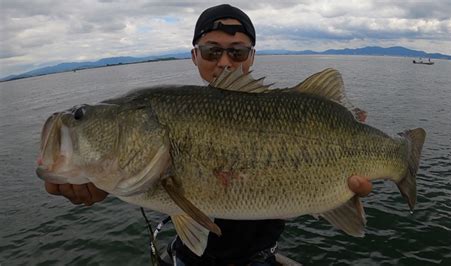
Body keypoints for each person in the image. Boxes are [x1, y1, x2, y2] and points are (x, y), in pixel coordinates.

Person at [44, 4, 373, 266]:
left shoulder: (293, 110)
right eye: (212, 51)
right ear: (194, 56)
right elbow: (140, 178)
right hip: (191, 258)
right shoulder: (167, 118)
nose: (225, 63)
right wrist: (97, 185)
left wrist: (340, 191)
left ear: (252, 57)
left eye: (238, 52)